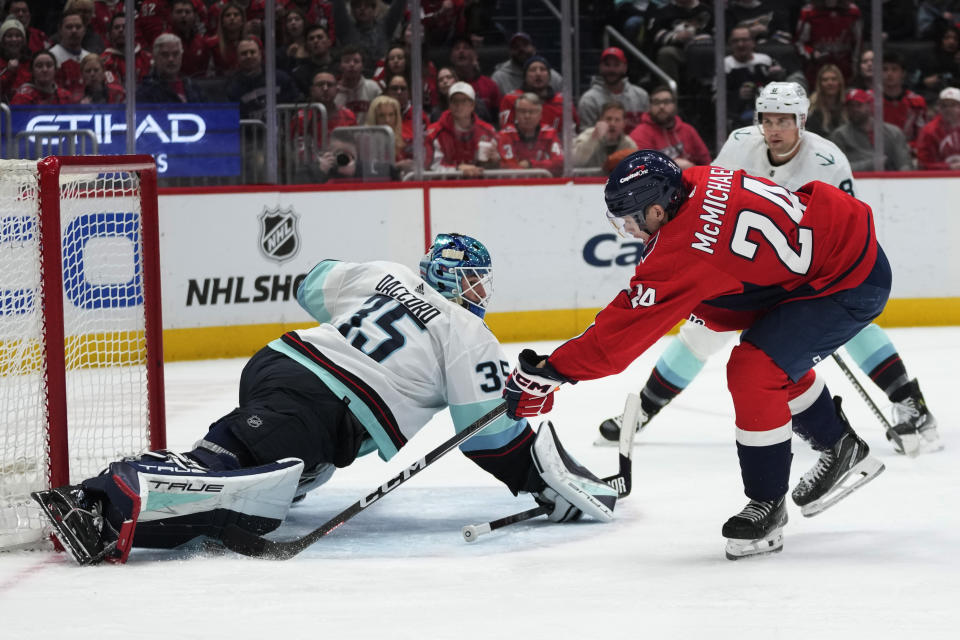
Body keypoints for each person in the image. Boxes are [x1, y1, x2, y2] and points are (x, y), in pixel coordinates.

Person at [32, 233, 615, 565]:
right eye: (476, 280)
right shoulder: (467, 332)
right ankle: (102, 502)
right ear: (457, 281)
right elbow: (487, 439)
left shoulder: (387, 274)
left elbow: (310, 281)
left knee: (283, 466)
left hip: (278, 364)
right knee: (234, 478)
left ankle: (246, 468)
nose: (480, 292)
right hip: (325, 405)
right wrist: (538, 483)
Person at [502, 149, 890, 560]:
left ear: (655, 210)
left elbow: (619, 338)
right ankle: (840, 446)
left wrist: (552, 370)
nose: (629, 230)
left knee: (755, 369)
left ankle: (767, 504)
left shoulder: (683, 248)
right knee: (769, 354)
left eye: (630, 219)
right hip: (828, 254)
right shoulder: (697, 179)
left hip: (845, 280)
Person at [597, 82, 940, 458]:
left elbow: (847, 233)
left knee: (855, 328)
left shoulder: (828, 161)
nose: (774, 129)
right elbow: (704, 205)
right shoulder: (741, 144)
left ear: (802, 121)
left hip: (811, 271)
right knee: (700, 333)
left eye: (784, 121)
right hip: (743, 270)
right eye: (768, 120)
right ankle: (646, 408)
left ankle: (912, 404)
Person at [425, 81, 499, 177]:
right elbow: (431, 167)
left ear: (472, 105)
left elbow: (501, 167)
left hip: (480, 187)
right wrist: (457, 169)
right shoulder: (434, 132)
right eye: (454, 101)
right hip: (445, 188)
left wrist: (495, 161)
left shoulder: (488, 131)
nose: (458, 105)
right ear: (449, 105)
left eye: (463, 101)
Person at [628, 85, 711, 169]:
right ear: (650, 106)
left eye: (666, 102)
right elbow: (643, 169)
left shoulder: (688, 130)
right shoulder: (640, 134)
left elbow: (706, 161)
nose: (661, 106)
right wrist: (674, 165)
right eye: (656, 102)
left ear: (674, 105)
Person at [830, 88, 914, 171]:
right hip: (857, 182)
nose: (854, 109)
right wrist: (872, 163)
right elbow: (838, 168)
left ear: (869, 105)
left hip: (892, 181)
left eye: (859, 105)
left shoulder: (893, 132)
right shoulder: (840, 135)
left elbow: (905, 164)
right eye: (850, 106)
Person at [722, 27, 785, 129]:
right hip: (737, 115)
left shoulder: (766, 60)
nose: (740, 44)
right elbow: (717, 97)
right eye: (736, 41)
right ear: (730, 44)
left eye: (744, 40)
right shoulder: (725, 65)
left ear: (753, 42)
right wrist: (738, 95)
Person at [226, 36, 300, 120]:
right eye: (244, 54)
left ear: (260, 54)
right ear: (238, 58)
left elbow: (296, 103)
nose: (249, 56)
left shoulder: (280, 78)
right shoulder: (233, 87)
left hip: (282, 131)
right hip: (250, 132)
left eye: (252, 52)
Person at [577, 46, 650, 131]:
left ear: (625, 68)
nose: (611, 69)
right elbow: (586, 137)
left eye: (616, 65)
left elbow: (648, 129)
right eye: (607, 64)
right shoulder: (589, 100)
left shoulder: (641, 95)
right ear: (600, 67)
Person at [499, 55, 578, 131]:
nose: (538, 73)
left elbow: (575, 131)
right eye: (532, 70)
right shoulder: (510, 99)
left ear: (549, 76)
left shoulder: (563, 102)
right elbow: (506, 131)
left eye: (543, 69)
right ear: (525, 77)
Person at [795, 0, 862, 86]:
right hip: (817, 69)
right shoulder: (808, 12)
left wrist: (855, 68)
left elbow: (858, 43)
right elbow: (799, 43)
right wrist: (812, 53)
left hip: (844, 68)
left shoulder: (853, 12)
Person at [497, 92, 564, 176]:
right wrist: (541, 168)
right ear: (516, 114)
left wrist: (530, 164)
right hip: (514, 185)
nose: (527, 116)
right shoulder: (505, 135)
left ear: (540, 115)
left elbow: (559, 162)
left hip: (543, 185)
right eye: (522, 111)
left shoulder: (549, 133)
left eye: (532, 112)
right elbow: (508, 166)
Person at [331, 0, 405, 77]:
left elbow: (399, 5)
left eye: (367, 6)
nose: (362, 8)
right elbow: (338, 6)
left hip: (382, 79)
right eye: (358, 6)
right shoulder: (346, 29)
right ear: (352, 11)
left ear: (374, 10)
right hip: (353, 80)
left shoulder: (385, 27)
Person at [136, 33, 207, 103]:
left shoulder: (192, 86)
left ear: (181, 56)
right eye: (165, 55)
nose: (171, 59)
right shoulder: (146, 90)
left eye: (176, 54)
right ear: (155, 57)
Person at [491, 31, 563, 97]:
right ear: (510, 52)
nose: (521, 49)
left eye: (525, 45)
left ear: (534, 48)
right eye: (516, 47)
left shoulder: (553, 77)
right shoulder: (499, 78)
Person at [449, 35, 500, 126]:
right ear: (451, 57)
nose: (461, 51)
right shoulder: (446, 85)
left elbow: (496, 120)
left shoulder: (490, 85)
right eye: (457, 48)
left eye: (466, 48)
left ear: (475, 55)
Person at [881, 51, 928, 147]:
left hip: (909, 150)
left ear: (903, 73)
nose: (889, 74)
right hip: (877, 152)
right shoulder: (870, 100)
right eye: (885, 69)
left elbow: (922, 136)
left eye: (894, 69)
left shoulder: (917, 102)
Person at [572, 101, 637, 169]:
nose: (612, 124)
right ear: (601, 120)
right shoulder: (588, 135)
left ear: (624, 123)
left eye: (617, 120)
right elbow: (575, 162)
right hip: (589, 179)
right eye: (608, 119)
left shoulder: (629, 144)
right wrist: (594, 138)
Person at [365, 93, 414, 174]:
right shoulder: (365, 141)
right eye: (381, 115)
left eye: (391, 115)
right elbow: (369, 170)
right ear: (374, 117)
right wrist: (397, 166)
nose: (387, 120)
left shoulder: (405, 138)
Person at [99, 13, 152, 86]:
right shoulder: (103, 62)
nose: (121, 30)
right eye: (117, 27)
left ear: (134, 33)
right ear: (110, 34)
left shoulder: (147, 58)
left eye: (125, 27)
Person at [49, 9, 92, 98]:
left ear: (84, 30)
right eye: (69, 27)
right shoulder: (51, 57)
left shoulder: (90, 58)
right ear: (60, 30)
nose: (74, 31)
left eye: (78, 27)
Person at [916, 86, 960, 169]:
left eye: (953, 105)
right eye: (944, 106)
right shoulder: (929, 131)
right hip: (939, 178)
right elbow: (923, 164)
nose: (948, 109)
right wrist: (949, 167)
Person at [169, 0, 212, 78]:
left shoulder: (202, 42)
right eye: (179, 12)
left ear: (194, 16)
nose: (183, 15)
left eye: (187, 12)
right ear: (171, 15)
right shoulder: (165, 42)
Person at [291, 24, 335, 95]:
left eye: (320, 37)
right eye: (311, 39)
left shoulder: (341, 67)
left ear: (329, 42)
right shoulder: (300, 74)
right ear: (307, 46)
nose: (315, 41)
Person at [806, 63, 847, 137]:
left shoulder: (848, 105)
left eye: (834, 79)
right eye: (825, 80)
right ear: (820, 84)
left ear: (840, 82)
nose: (830, 83)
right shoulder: (812, 109)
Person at [0, 16, 31, 102]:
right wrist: (9, 72)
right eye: (9, 36)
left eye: (18, 36)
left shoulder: (31, 62)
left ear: (24, 40)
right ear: (2, 41)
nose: (14, 39)